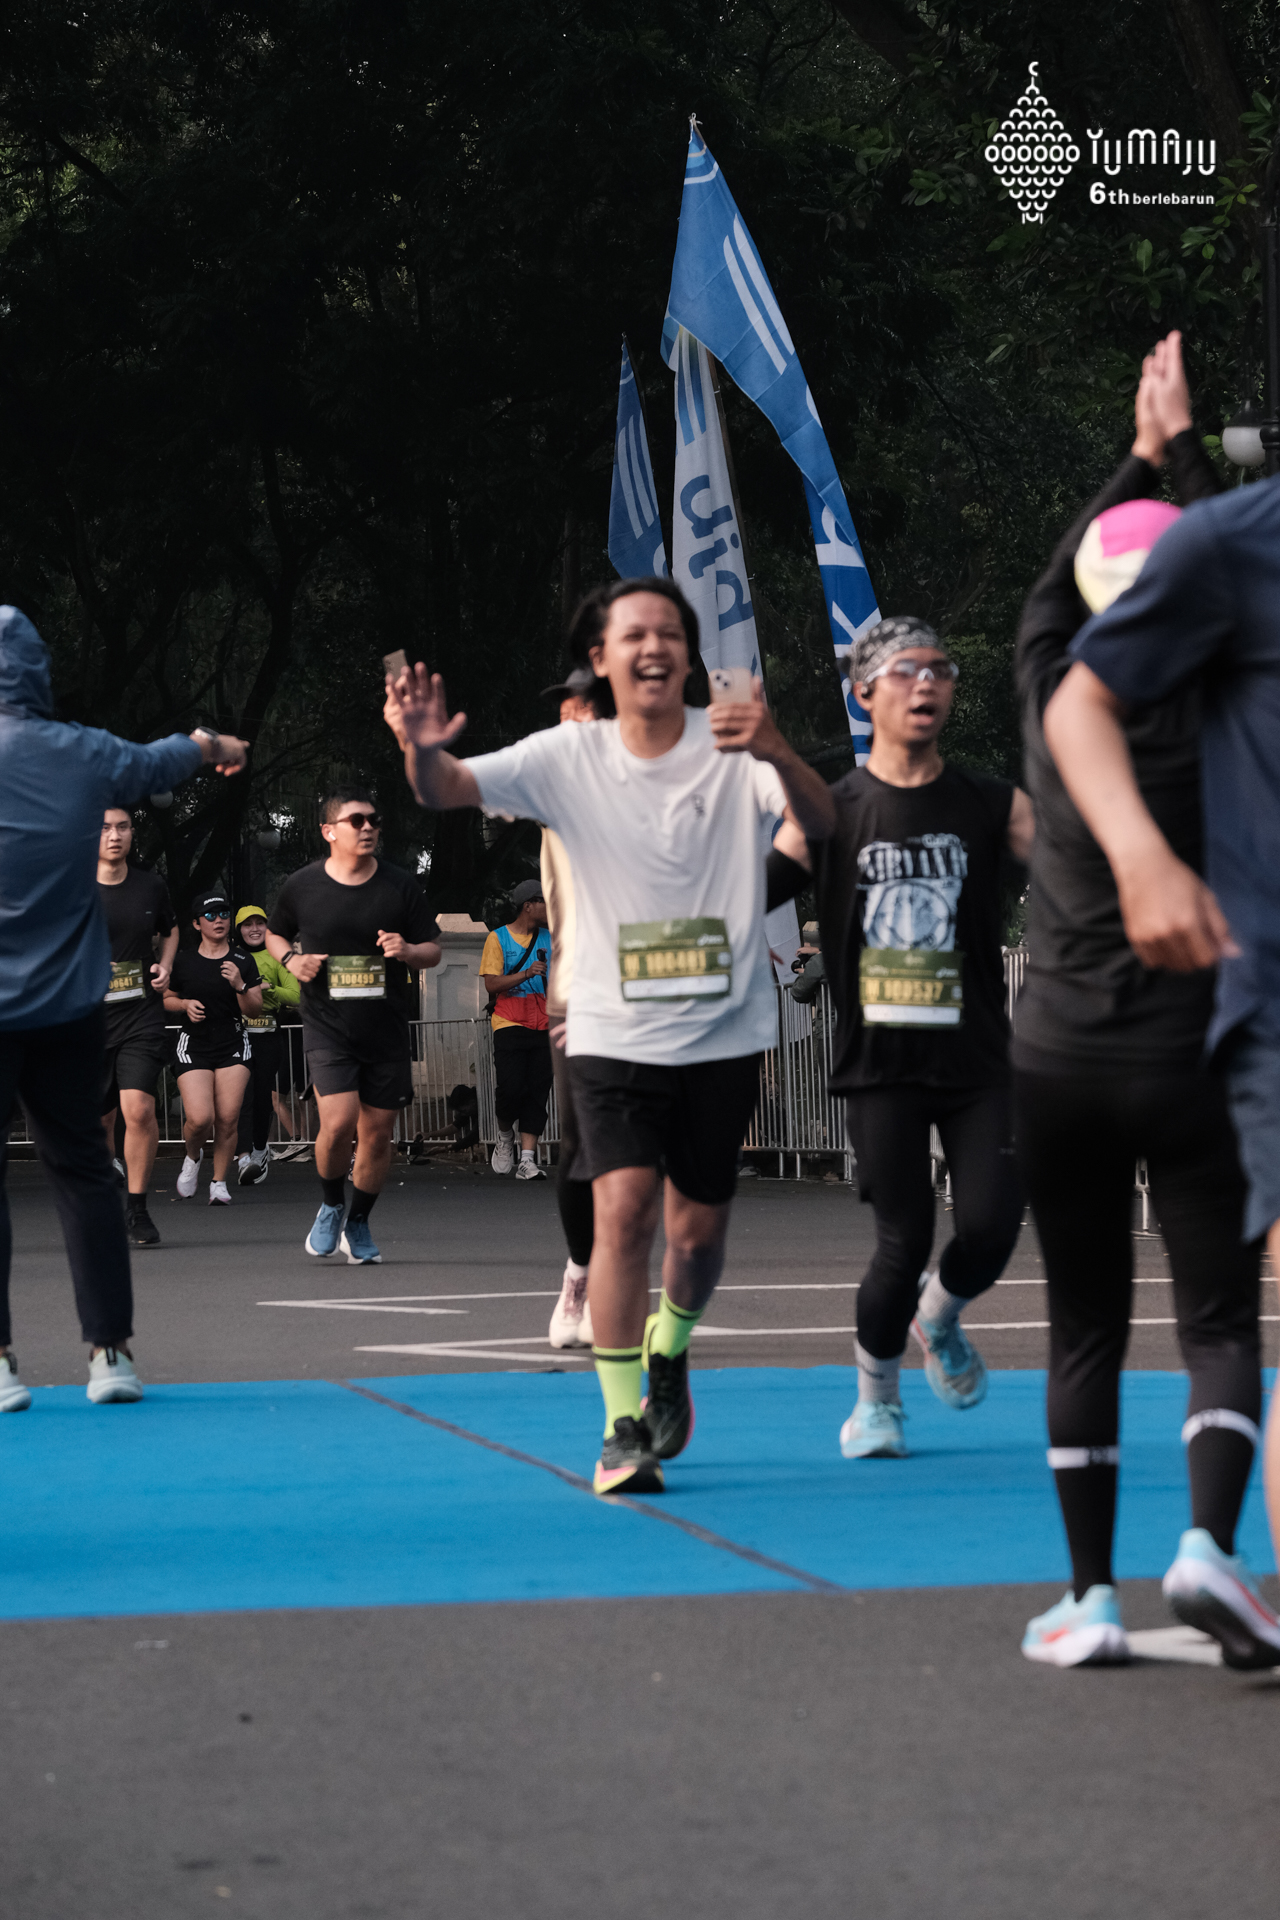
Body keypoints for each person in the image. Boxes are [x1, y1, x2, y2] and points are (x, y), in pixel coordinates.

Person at [386, 576, 836, 1494]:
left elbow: (822, 826)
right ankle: (620, 1427)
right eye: (633, 634)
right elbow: (448, 787)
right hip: (609, 1026)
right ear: (602, 658)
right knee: (623, 1211)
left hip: (721, 1030)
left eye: (669, 632)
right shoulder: (566, 754)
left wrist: (779, 748)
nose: (653, 646)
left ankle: (670, 1347)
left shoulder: (733, 747)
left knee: (697, 1238)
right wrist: (419, 749)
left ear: (689, 654)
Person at [1041, 332, 1280, 1666]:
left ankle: (1090, 1594)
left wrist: (1144, 456)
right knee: (1220, 1323)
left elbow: (1061, 592)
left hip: (1066, 1056)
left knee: (1088, 1323)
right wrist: (1179, 459)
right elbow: (1216, 549)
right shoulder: (1213, 709)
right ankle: (1205, 1547)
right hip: (1197, 1046)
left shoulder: (1049, 683)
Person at [771, 616, 1033, 1460]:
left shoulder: (993, 802)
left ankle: (939, 1316)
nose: (927, 683)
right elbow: (744, 889)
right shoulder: (831, 808)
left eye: (939, 670)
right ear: (864, 692)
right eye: (906, 670)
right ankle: (875, 1403)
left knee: (991, 1225)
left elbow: (1083, 871)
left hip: (977, 1056)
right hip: (880, 1063)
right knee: (903, 1240)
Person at [0, 604, 246, 1414]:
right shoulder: (80, 750)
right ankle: (109, 1352)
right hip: (68, 1006)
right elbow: (166, 757)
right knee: (83, 1172)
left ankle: (0, 1363)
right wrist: (217, 745)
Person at [264, 788, 442, 1265]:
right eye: (356, 820)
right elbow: (275, 933)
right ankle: (330, 1205)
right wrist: (291, 960)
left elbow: (433, 949)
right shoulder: (303, 885)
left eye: (374, 820)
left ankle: (358, 1221)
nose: (368, 827)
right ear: (329, 831)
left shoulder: (400, 885)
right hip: (328, 1025)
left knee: (378, 1134)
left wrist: (408, 950)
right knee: (340, 1121)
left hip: (386, 1029)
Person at [540, 661, 604, 1349]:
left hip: (669, 994)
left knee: (671, 1159)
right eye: (565, 715)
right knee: (582, 1148)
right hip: (582, 996)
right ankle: (580, 1274)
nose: (571, 722)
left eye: (584, 709)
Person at [97, 805, 178, 1248]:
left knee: (139, 1110)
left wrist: (165, 966)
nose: (114, 835)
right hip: (86, 1021)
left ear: (132, 833)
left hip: (140, 1015)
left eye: (122, 827)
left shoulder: (150, 885)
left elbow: (171, 930)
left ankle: (138, 1208)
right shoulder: (71, 888)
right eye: (105, 828)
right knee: (96, 1120)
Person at [164, 895, 263, 1204]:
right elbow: (166, 998)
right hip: (194, 1045)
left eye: (223, 914)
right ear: (196, 924)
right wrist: (184, 1004)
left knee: (228, 1118)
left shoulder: (242, 959)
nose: (218, 920)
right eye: (210, 915)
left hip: (232, 1044)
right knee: (199, 1118)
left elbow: (255, 1010)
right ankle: (193, 1157)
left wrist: (240, 985)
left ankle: (219, 1182)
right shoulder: (184, 961)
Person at [481, 880, 553, 1182]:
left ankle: (527, 1161)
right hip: (509, 1022)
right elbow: (491, 983)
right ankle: (504, 1134)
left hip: (544, 1023)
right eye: (544, 901)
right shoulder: (498, 938)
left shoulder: (550, 938)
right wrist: (526, 973)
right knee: (510, 1089)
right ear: (528, 905)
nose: (549, 907)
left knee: (538, 1092)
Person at [233, 903, 303, 1185]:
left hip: (268, 1036)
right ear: (238, 929)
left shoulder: (276, 957)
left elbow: (296, 995)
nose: (254, 929)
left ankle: (260, 1148)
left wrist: (269, 988)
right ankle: (244, 1155)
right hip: (235, 1036)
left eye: (259, 923)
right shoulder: (231, 956)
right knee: (240, 1097)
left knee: (263, 1097)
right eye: (247, 924)